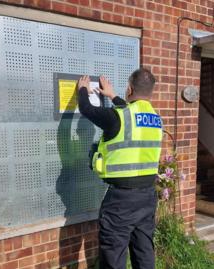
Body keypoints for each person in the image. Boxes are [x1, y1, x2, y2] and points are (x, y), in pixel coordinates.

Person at [77, 68, 162, 269]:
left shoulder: (118, 117)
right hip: (148, 196)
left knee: (114, 256)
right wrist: (113, 95)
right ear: (151, 91)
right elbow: (129, 115)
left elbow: (87, 109)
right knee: (144, 252)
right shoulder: (155, 118)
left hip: (122, 201)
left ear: (130, 89)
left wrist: (82, 89)